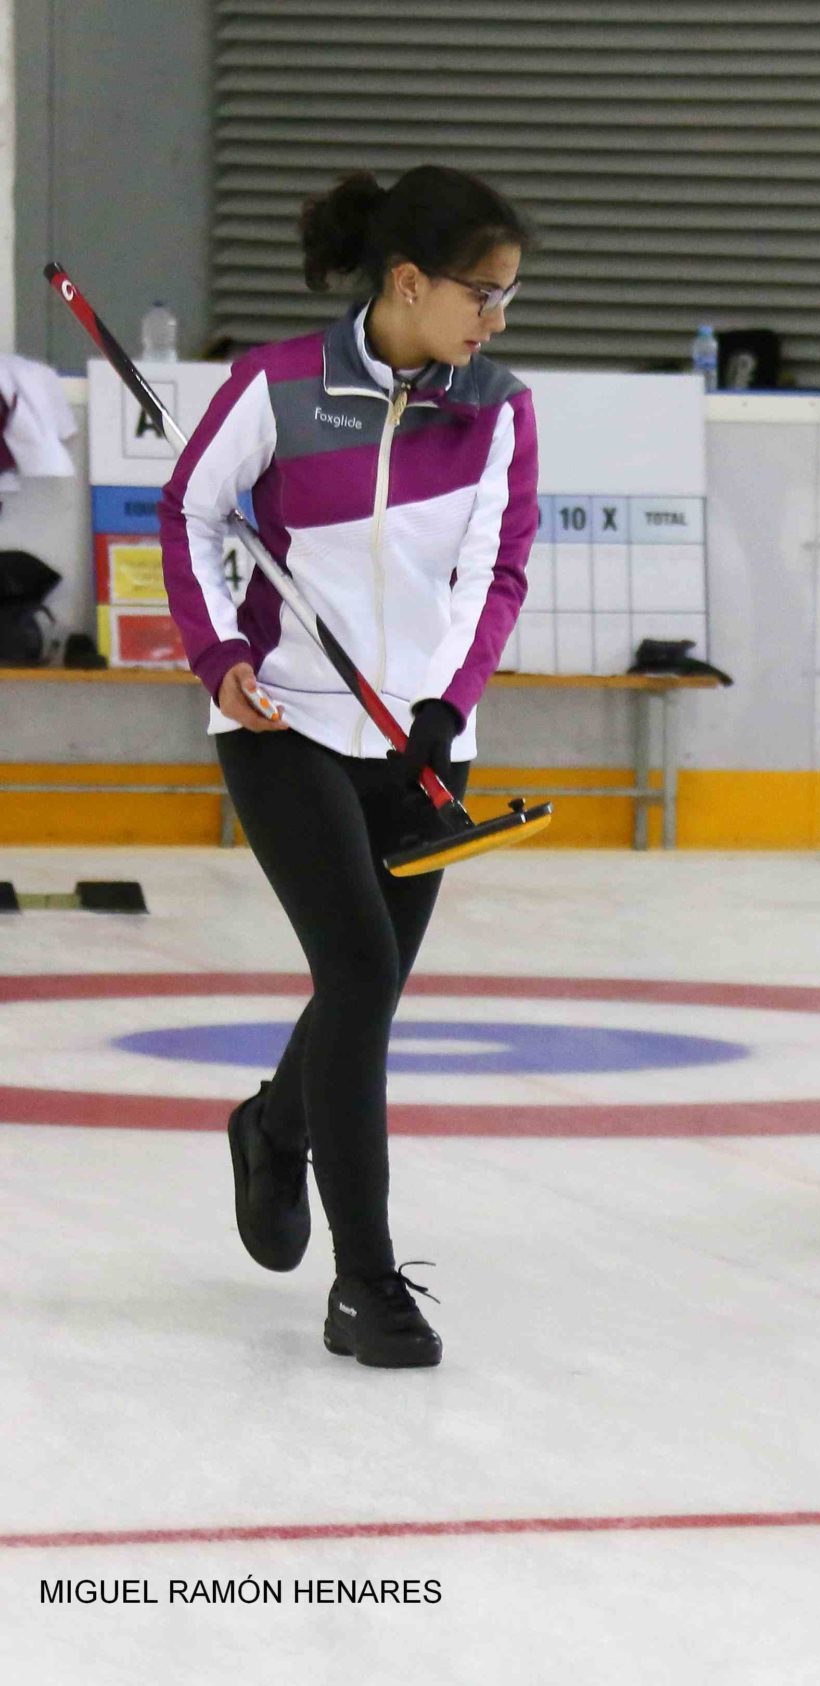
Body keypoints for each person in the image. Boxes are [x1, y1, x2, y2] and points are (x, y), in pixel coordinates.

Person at [159, 165, 536, 1368]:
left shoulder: (500, 408)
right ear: (409, 281)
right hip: (284, 725)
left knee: (357, 989)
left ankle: (275, 1127)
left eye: (508, 300)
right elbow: (188, 514)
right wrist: (219, 652)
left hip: (423, 742)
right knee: (362, 969)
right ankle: (365, 1283)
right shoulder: (275, 386)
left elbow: (498, 568)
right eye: (483, 294)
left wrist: (447, 704)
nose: (495, 321)